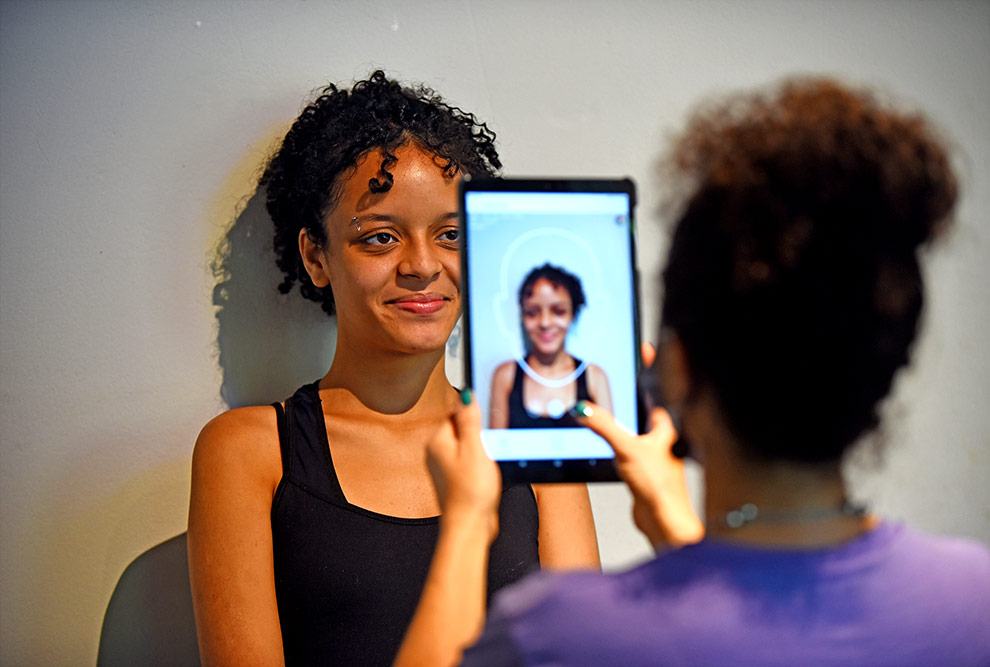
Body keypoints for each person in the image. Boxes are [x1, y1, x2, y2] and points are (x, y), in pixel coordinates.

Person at [395, 78, 990, 666]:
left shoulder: (564, 631)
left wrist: (468, 524)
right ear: (884, 369)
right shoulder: (974, 598)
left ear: (676, 368)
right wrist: (676, 528)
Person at [186, 71, 601, 667]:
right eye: (380, 237)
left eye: (452, 235)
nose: (423, 265)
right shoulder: (251, 451)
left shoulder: (535, 432)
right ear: (315, 256)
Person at [489, 263, 613, 428]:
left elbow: (612, 447)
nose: (545, 323)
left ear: (573, 314)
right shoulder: (506, 376)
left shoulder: (594, 377)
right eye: (533, 312)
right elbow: (494, 451)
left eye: (558, 311)